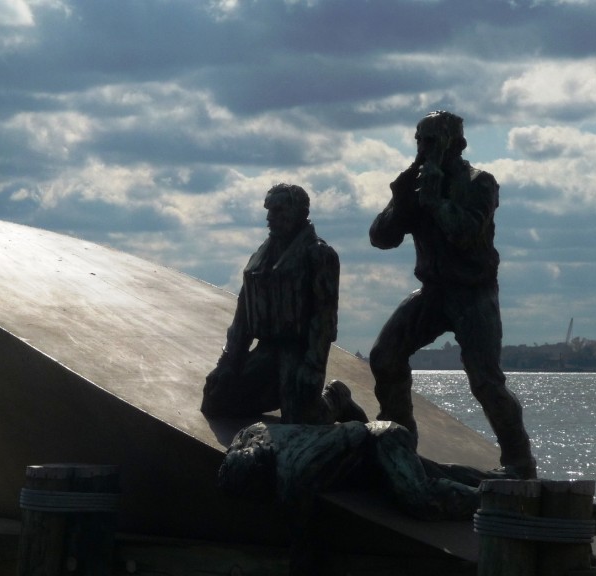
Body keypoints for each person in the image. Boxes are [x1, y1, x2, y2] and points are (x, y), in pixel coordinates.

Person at [368, 110, 536, 479]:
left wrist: (435, 202)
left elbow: (467, 233)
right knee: (384, 356)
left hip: (474, 293)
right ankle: (399, 437)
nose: (424, 148)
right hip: (433, 292)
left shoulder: (480, 183)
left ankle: (519, 461)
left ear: (456, 144)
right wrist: (399, 200)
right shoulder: (416, 186)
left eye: (432, 141)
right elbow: (381, 239)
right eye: (420, 140)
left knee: (485, 381)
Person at [201, 184, 367, 425]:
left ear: (300, 213)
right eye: (269, 211)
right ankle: (284, 395)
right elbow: (243, 314)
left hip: (297, 349)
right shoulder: (260, 257)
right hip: (267, 348)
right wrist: (228, 362)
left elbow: (324, 317)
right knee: (216, 398)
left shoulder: (319, 255)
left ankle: (336, 398)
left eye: (278, 211)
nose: (270, 218)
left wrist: (313, 365)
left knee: (298, 418)